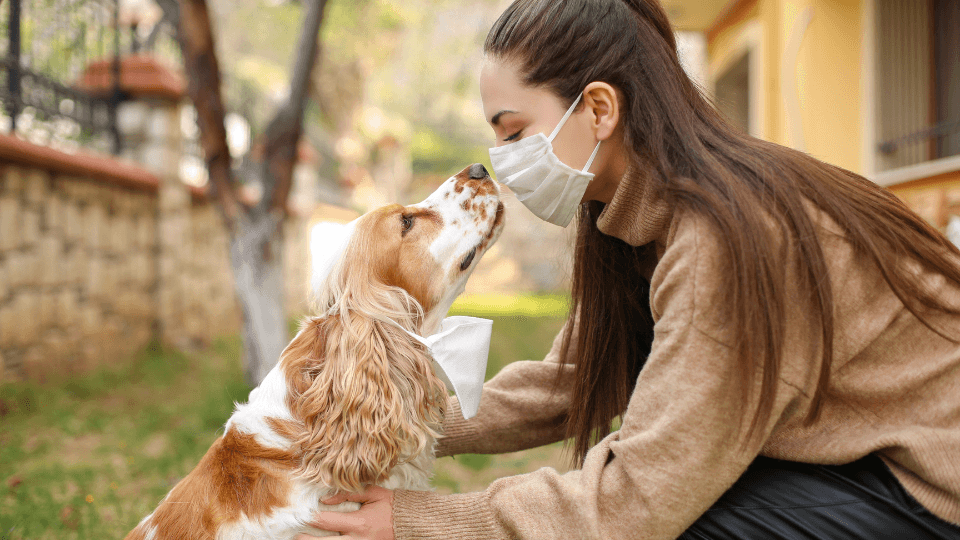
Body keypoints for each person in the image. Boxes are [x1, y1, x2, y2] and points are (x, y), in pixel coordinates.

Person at [298, 0, 960, 538]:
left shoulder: (725, 241)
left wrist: (422, 522)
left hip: (929, 483)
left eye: (513, 131)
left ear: (598, 109)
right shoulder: (634, 216)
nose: (500, 159)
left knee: (688, 518)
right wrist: (382, 423)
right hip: (863, 465)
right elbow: (571, 380)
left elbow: (637, 502)